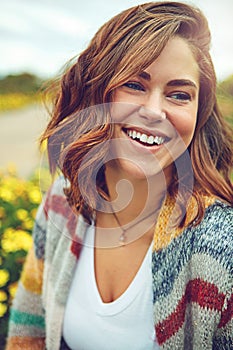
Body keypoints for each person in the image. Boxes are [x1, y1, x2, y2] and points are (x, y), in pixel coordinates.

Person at [6, 1, 233, 349]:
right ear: (93, 92)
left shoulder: (223, 246)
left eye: (179, 94)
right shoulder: (61, 200)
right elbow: (28, 327)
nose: (154, 112)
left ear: (198, 113)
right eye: (135, 85)